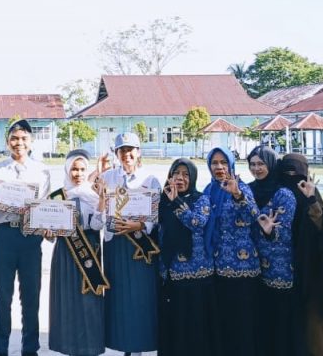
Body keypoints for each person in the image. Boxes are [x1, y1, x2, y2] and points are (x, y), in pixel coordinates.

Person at [0, 119, 53, 356]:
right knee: (2, 296)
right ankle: (0, 348)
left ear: (31, 141)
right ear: (7, 142)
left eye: (23, 138)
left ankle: (30, 348)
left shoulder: (42, 171)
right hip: (4, 234)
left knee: (31, 296)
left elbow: (45, 206)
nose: (19, 143)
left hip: (30, 238)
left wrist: (46, 224)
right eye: (14, 138)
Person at [101, 132, 159, 355]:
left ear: (139, 151)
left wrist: (141, 225)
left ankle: (138, 348)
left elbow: (156, 214)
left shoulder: (150, 179)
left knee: (139, 297)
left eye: (130, 150)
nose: (127, 154)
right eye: (122, 150)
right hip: (116, 245)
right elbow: (97, 205)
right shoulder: (107, 177)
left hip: (139, 246)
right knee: (120, 298)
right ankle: (123, 345)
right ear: (116, 153)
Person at [48, 149, 107, 356]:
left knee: (89, 301)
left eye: (82, 169)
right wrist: (47, 232)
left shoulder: (94, 195)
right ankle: (69, 348)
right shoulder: (57, 197)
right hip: (65, 253)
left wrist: (101, 203)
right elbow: (49, 232)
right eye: (74, 169)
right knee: (68, 301)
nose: (78, 174)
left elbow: (97, 225)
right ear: (67, 170)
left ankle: (89, 348)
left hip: (90, 250)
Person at [279, 153, 323, 356]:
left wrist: (311, 199)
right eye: (286, 173)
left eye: (296, 173)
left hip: (311, 272)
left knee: (316, 330)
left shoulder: (312, 195)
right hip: (283, 272)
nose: (291, 178)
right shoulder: (278, 195)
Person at [157, 158, 217, 356]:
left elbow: (197, 223)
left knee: (195, 327)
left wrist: (176, 202)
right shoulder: (163, 201)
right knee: (175, 326)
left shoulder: (201, 199)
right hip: (172, 274)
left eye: (186, 174)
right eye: (176, 173)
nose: (180, 178)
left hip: (197, 275)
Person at [204, 146, 260, 356]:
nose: (219, 167)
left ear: (231, 164)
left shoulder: (241, 188)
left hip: (243, 269)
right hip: (217, 268)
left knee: (242, 324)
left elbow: (254, 215)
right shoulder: (209, 190)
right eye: (214, 162)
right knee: (223, 323)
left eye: (223, 162)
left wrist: (237, 195)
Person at [248, 146, 299, 356]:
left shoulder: (283, 194)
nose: (256, 168)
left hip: (279, 268)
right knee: (261, 320)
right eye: (252, 164)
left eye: (261, 164)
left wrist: (269, 232)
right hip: (253, 266)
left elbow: (284, 232)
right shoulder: (247, 191)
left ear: (271, 164)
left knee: (280, 321)